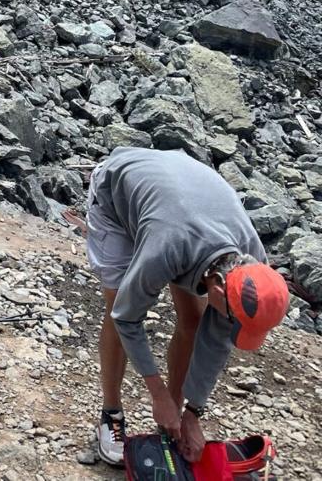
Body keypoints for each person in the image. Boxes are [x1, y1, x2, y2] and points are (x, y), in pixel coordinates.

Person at [85, 147, 290, 466]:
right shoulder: (167, 248)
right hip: (117, 194)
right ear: (219, 289)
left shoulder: (253, 264)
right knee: (119, 304)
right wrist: (157, 393)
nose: (230, 326)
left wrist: (192, 412)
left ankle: (172, 420)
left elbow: (219, 336)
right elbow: (127, 318)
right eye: (232, 317)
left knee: (193, 321)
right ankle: (111, 413)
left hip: (183, 195)